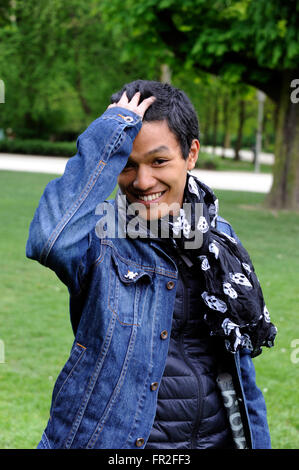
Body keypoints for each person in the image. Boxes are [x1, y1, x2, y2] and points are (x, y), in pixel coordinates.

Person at [26, 80, 277, 450]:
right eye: (126, 165)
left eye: (159, 161)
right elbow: (50, 240)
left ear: (191, 154)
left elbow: (242, 374)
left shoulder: (217, 239)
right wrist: (111, 133)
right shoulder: (100, 234)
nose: (143, 182)